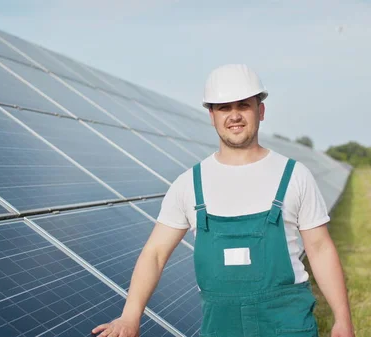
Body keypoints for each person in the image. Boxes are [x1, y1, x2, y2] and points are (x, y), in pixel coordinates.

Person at [92, 64, 354, 337]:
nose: (235, 116)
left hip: (287, 327)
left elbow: (320, 249)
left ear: (260, 111)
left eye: (244, 105)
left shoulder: (294, 176)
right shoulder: (189, 185)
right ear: (212, 116)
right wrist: (130, 317)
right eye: (224, 108)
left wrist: (343, 321)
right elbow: (154, 254)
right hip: (220, 329)